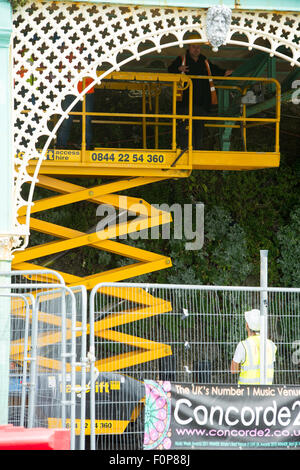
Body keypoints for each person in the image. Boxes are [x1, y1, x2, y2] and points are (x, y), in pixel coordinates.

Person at [168, 34, 232, 150]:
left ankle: (197, 152)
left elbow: (215, 70)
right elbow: (170, 70)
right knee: (185, 130)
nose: (196, 49)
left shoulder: (204, 61)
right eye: (193, 46)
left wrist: (228, 72)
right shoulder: (182, 60)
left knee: (199, 131)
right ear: (188, 47)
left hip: (202, 104)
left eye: (198, 47)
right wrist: (178, 69)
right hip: (185, 104)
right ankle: (185, 151)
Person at [231, 309, 277, 385]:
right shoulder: (271, 345)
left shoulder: (243, 345)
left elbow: (233, 370)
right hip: (266, 393)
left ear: (247, 326)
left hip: (247, 393)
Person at [56, 77, 95, 150]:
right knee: (66, 119)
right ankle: (61, 144)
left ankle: (85, 144)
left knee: (86, 120)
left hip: (87, 90)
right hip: (71, 90)